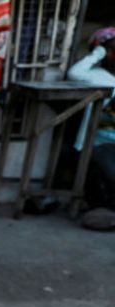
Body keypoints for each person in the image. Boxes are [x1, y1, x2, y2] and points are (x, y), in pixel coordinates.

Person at [67, 27, 115, 231]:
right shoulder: (97, 76)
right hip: (99, 143)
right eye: (112, 49)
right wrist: (98, 53)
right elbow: (73, 73)